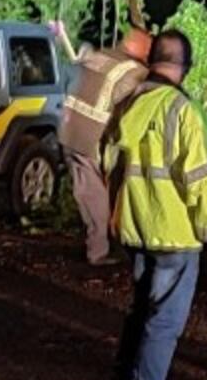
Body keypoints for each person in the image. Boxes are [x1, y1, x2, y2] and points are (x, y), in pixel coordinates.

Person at [102, 29, 207, 380]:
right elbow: (204, 184)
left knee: (139, 316)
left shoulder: (128, 105)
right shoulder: (183, 112)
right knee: (162, 326)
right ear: (185, 67)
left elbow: (107, 162)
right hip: (174, 236)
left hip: (134, 229)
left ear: (151, 62)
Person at [59, 25, 153, 266]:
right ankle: (99, 252)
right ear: (141, 48)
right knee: (96, 194)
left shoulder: (101, 55)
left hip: (70, 130)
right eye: (148, 47)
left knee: (89, 191)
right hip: (93, 136)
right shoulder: (134, 71)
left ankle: (105, 244)